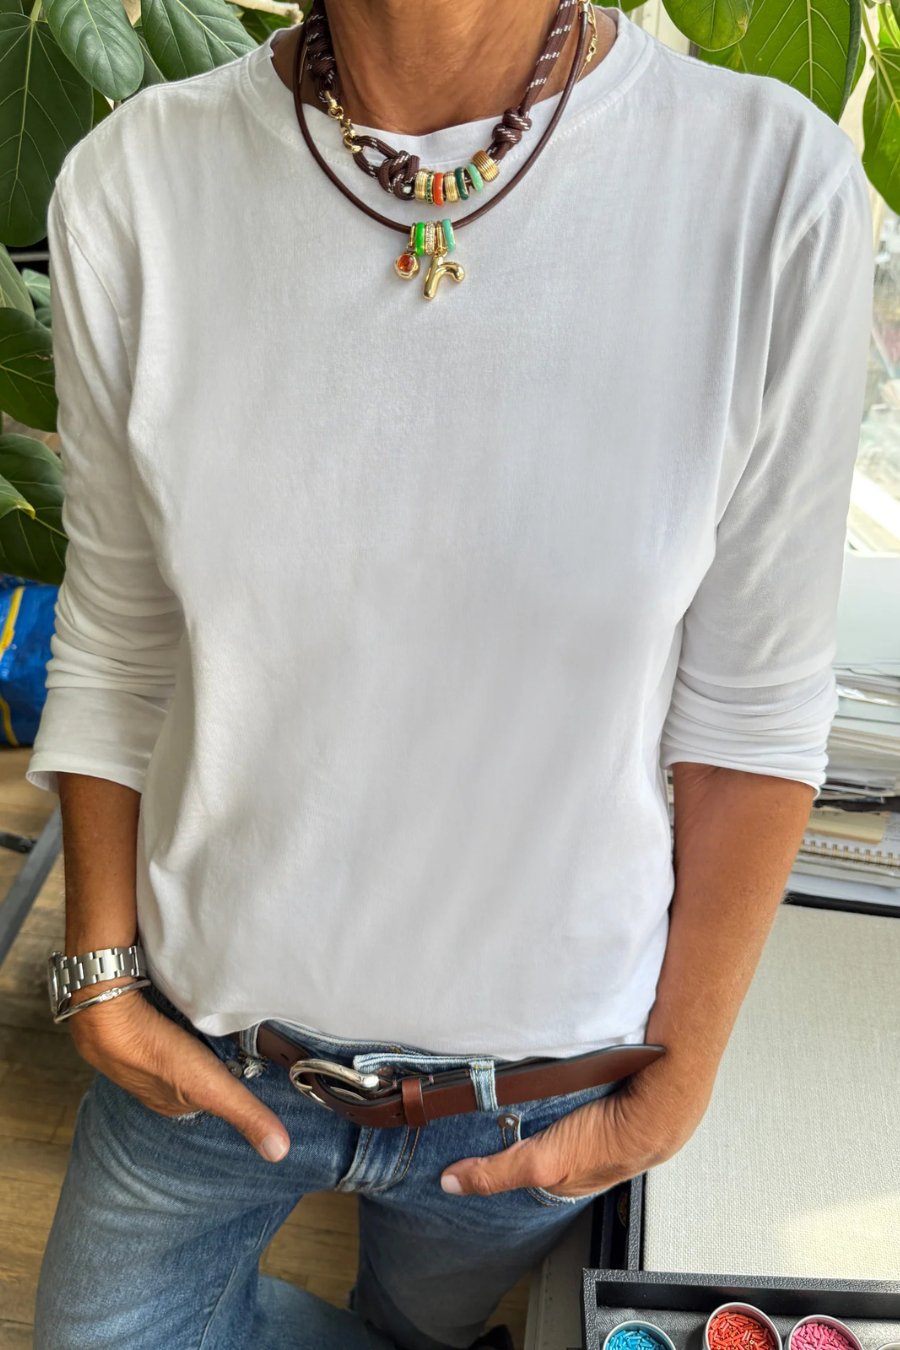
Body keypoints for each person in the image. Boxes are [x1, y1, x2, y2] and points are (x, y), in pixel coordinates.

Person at [25, 0, 873, 1346]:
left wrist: (678, 1083)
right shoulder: (136, 184)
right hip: (203, 1043)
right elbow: (121, 630)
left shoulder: (770, 187)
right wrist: (102, 973)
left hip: (540, 1092)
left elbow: (754, 705)